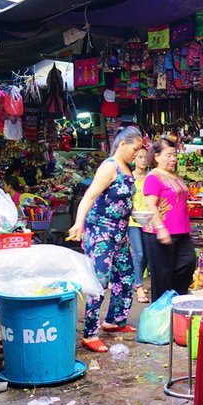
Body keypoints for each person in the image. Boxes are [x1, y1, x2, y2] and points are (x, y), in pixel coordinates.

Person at [67, 127, 144, 353]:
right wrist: (78, 223)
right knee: (99, 281)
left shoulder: (126, 168)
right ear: (122, 144)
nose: (137, 153)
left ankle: (114, 321)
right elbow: (89, 196)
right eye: (135, 148)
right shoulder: (109, 167)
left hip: (120, 233)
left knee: (126, 277)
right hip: (101, 232)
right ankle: (90, 334)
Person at [142, 137, 197, 300]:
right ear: (156, 156)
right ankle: (161, 316)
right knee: (162, 277)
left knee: (188, 264)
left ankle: (176, 304)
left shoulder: (174, 175)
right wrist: (160, 229)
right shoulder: (153, 177)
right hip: (160, 233)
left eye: (174, 155)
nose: (173, 159)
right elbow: (150, 205)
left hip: (182, 231)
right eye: (168, 155)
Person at [128, 146, 150, 304]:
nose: (143, 160)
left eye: (145, 157)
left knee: (147, 255)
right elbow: (126, 200)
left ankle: (135, 282)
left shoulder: (151, 177)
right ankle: (140, 287)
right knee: (139, 254)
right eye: (140, 157)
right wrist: (133, 211)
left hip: (149, 220)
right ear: (134, 159)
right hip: (134, 221)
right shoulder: (129, 178)